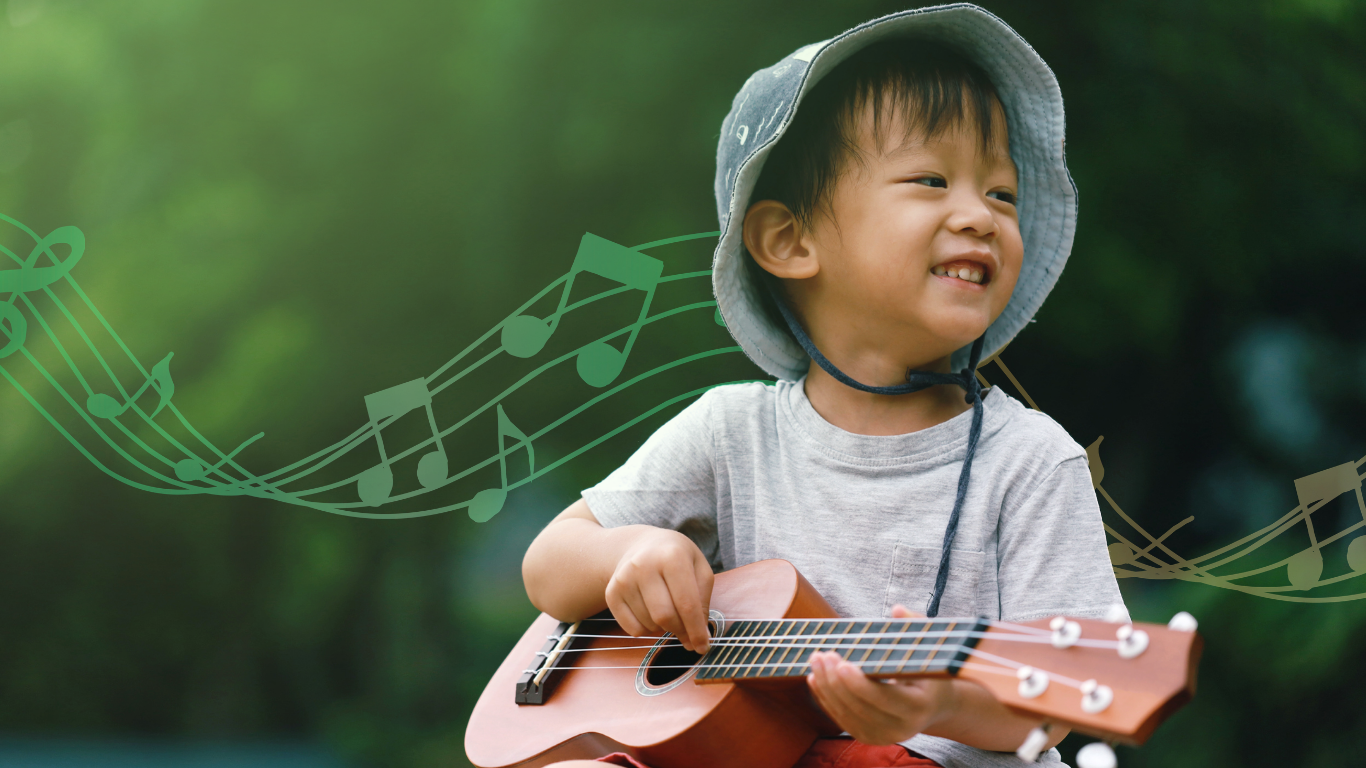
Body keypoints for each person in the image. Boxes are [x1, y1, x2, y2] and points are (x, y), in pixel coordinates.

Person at [521, 5, 1125, 767]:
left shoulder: (1032, 462)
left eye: (1002, 194)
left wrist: (940, 703)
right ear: (790, 240)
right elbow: (548, 565)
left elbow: (1060, 701)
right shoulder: (729, 432)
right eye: (931, 179)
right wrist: (630, 554)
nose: (979, 215)